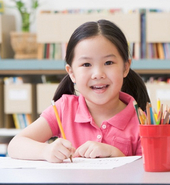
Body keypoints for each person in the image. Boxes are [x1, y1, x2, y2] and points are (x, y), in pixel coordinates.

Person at [8, 19, 150, 163]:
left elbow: (146, 170)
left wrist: (116, 155)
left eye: (108, 63)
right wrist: (46, 151)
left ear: (125, 67)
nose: (98, 74)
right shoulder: (64, 108)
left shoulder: (142, 120)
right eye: (86, 64)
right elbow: (15, 144)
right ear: (72, 73)